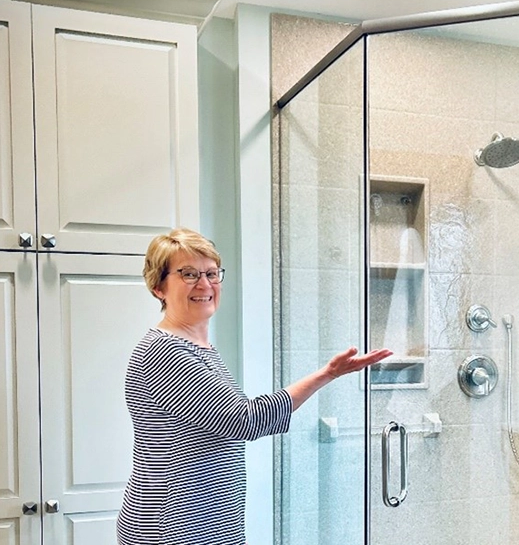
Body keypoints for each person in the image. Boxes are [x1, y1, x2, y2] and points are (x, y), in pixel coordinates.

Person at [116, 228, 391, 545]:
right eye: (188, 274)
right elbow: (245, 420)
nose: (204, 284)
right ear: (158, 287)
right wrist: (327, 374)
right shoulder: (164, 353)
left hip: (202, 523)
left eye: (211, 273)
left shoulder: (198, 349)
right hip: (173, 528)